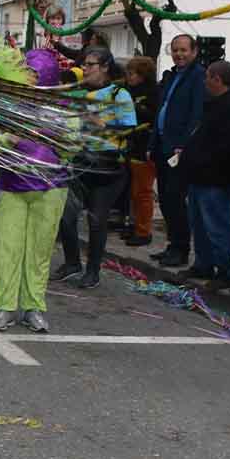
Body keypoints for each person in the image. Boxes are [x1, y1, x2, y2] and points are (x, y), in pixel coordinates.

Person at [0, 49, 69, 332]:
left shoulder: (62, 107)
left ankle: (33, 307)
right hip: (11, 185)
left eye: (36, 74)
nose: (30, 79)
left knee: (40, 252)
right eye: (27, 73)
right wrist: (8, 138)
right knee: (7, 248)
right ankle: (4, 307)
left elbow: (75, 142)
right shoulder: (8, 104)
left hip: (51, 188)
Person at [52, 47, 136, 289]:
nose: (85, 69)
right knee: (66, 216)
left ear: (105, 67)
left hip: (107, 167)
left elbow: (130, 132)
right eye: (84, 64)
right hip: (80, 163)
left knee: (96, 220)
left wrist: (99, 124)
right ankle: (71, 263)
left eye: (90, 64)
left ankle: (93, 271)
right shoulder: (80, 94)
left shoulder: (119, 95)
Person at [177, 60, 230, 290]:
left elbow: (227, 147)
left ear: (217, 79)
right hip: (200, 175)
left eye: (207, 77)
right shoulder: (215, 103)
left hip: (216, 178)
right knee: (198, 224)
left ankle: (225, 271)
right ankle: (203, 263)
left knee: (216, 225)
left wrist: (199, 159)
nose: (204, 81)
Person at [149, 34, 204, 267]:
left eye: (183, 50)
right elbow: (162, 110)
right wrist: (152, 144)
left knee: (175, 199)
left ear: (194, 51)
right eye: (175, 50)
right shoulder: (172, 76)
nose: (179, 54)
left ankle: (181, 249)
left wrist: (184, 146)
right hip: (162, 145)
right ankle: (172, 244)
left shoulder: (198, 76)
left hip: (179, 149)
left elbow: (196, 115)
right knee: (165, 200)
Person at [122, 56, 158, 246]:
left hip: (145, 147)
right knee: (132, 192)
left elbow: (154, 117)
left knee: (143, 192)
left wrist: (136, 108)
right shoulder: (128, 90)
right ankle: (133, 224)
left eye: (132, 73)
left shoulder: (153, 92)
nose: (129, 77)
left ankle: (143, 231)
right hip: (132, 146)